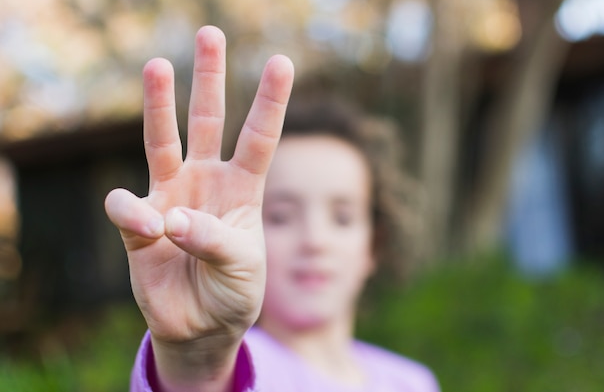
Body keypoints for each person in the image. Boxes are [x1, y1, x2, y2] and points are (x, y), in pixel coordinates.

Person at [105, 25, 439, 392]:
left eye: (342, 218)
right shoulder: (228, 366)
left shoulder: (414, 381)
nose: (314, 241)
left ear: (373, 245)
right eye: (280, 216)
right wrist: (196, 356)